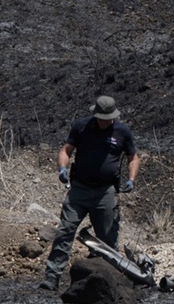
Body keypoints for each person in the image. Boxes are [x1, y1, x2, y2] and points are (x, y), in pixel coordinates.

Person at [39, 95, 140, 291]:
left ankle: (111, 281)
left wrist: (131, 179)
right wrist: (62, 169)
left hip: (105, 192)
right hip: (79, 189)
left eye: (108, 118)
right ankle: (52, 277)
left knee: (108, 238)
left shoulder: (122, 131)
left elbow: (133, 157)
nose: (104, 121)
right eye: (101, 117)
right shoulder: (81, 126)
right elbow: (66, 150)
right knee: (65, 231)